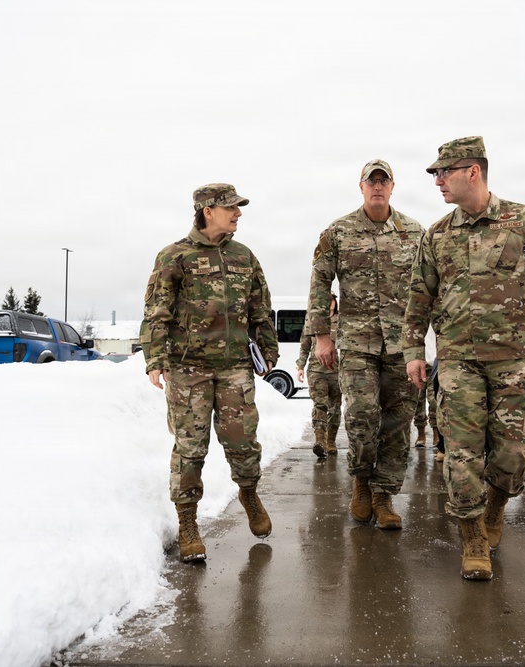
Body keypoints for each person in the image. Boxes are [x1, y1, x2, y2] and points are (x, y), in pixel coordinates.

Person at [404, 136, 525, 580]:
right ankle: (473, 538)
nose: (438, 181)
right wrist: (413, 352)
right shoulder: (437, 234)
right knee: (462, 456)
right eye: (435, 174)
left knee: (516, 453)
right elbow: (418, 297)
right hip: (458, 360)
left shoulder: (522, 222)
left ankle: (497, 504)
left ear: (473, 172)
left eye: (444, 172)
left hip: (512, 358)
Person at [144, 183, 279, 562]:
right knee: (190, 450)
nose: (238, 214)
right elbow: (158, 312)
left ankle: (249, 492)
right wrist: (155, 359)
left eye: (238, 208)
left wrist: (268, 349)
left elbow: (260, 308)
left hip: (236, 367)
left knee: (243, 442)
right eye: (231, 208)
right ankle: (188, 524)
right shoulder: (174, 256)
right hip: (189, 370)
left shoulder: (244, 256)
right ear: (207, 210)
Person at [307, 159, 424, 530]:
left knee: (398, 421)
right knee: (360, 417)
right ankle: (360, 480)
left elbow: (427, 289)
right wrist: (322, 336)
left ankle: (384, 494)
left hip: (401, 345)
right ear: (361, 187)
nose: (377, 186)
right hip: (356, 343)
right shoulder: (337, 233)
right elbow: (319, 285)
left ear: (392, 186)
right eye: (370, 181)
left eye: (383, 181)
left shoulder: (414, 233)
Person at [297, 293, 342, 458]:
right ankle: (320, 441)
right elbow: (304, 346)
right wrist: (300, 366)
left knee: (335, 409)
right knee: (320, 405)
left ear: (334, 303)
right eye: (325, 300)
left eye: (331, 301)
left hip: (337, 372)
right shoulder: (312, 321)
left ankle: (331, 441)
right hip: (317, 371)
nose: (329, 304)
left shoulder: (342, 321)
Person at [411, 361, 439, 447]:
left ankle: (436, 433)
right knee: (418, 400)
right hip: (418, 366)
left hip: (434, 366)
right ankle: (421, 434)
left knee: (434, 400)